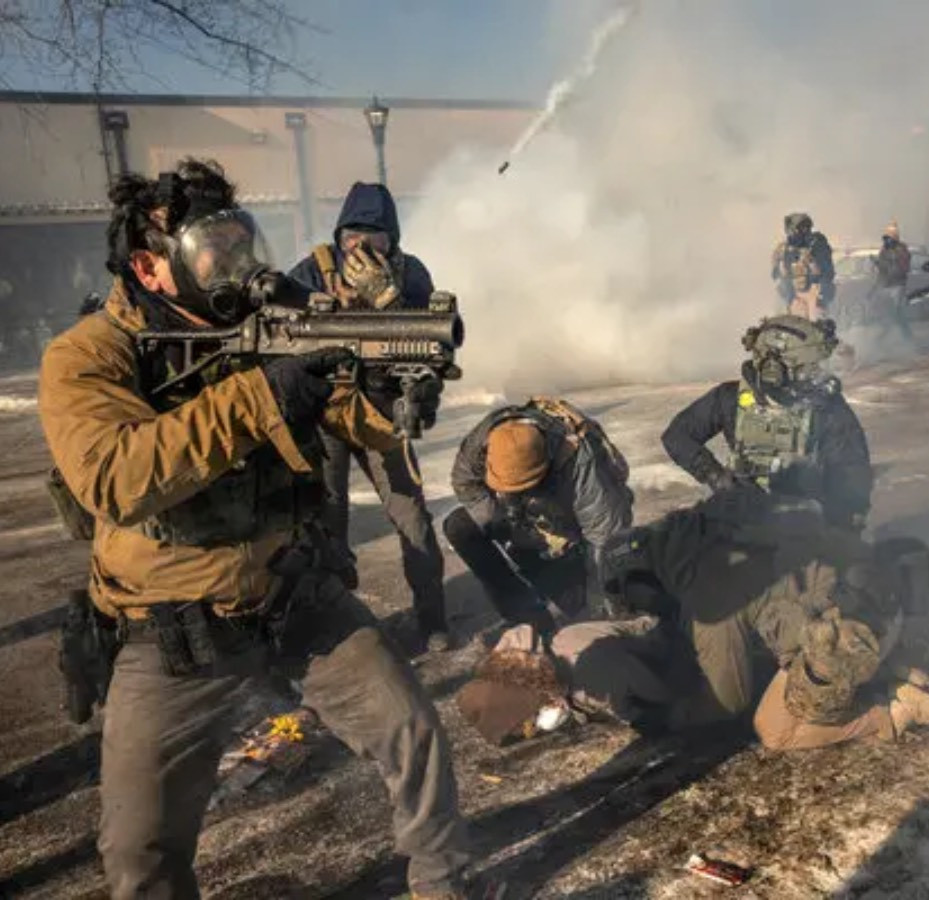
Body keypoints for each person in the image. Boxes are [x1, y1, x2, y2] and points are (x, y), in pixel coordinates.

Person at [38, 159, 472, 899]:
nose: (239, 264)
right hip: (173, 630)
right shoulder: (87, 356)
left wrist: (382, 383)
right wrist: (262, 397)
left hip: (296, 595)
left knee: (414, 732)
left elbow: (357, 420)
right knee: (139, 849)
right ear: (151, 264)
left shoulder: (273, 317)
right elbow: (116, 476)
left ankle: (445, 884)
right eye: (215, 249)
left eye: (244, 241)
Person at [598, 489, 929, 748]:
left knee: (776, 730)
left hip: (848, 635)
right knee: (788, 639)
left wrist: (668, 717)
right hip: (879, 594)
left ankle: (895, 709)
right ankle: (924, 658)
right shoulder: (709, 527)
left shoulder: (707, 600)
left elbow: (729, 700)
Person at [289, 182, 449, 650]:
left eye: (373, 237)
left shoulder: (410, 272)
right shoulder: (314, 270)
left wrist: (391, 304)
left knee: (412, 517)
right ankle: (337, 628)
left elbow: (435, 344)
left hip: (382, 411)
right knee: (326, 519)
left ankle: (432, 618)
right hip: (327, 410)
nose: (359, 247)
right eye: (351, 236)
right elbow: (283, 330)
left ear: (391, 240)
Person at [443, 397, 634, 637]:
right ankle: (526, 616)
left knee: (586, 607)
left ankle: (577, 590)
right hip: (532, 519)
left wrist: (600, 608)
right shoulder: (483, 441)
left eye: (522, 486)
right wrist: (502, 523)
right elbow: (465, 483)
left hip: (573, 528)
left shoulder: (579, 461)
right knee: (460, 526)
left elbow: (605, 536)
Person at [661, 315, 872, 531]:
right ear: (775, 369)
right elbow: (677, 436)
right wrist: (715, 476)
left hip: (801, 522)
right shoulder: (730, 398)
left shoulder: (826, 408)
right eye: (807, 368)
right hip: (742, 518)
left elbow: (851, 473)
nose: (816, 375)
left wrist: (843, 527)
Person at [455, 617, 696, 744]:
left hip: (684, 649)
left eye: (530, 721)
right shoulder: (543, 656)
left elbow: (670, 699)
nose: (537, 726)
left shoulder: (593, 678)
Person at [770, 212, 836, 319]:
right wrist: (789, 296)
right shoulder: (783, 249)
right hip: (794, 295)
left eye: (804, 228)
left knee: (817, 323)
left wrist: (821, 298)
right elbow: (777, 276)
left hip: (814, 293)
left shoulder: (817, 245)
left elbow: (827, 274)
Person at [871, 220, 914, 345]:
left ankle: (884, 337)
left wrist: (882, 264)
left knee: (896, 313)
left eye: (890, 236)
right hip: (886, 285)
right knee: (892, 313)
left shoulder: (901, 249)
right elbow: (882, 269)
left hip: (897, 285)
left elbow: (900, 268)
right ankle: (906, 338)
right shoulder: (885, 249)